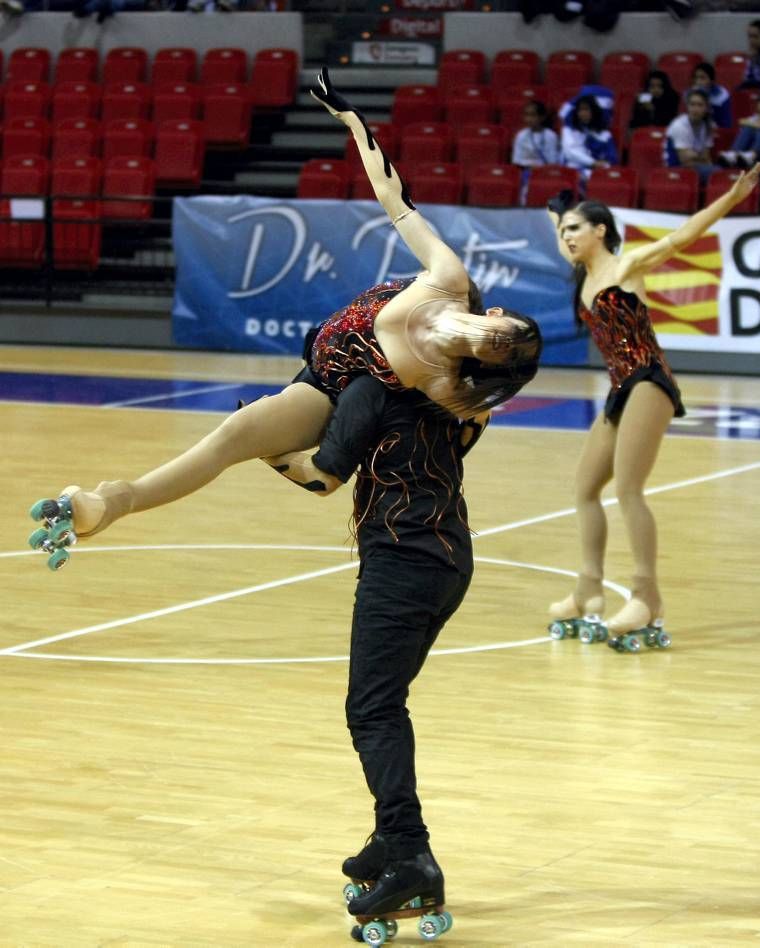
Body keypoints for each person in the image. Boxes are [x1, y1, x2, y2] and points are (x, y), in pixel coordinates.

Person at [28, 67, 541, 563]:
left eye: (506, 354)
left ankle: (116, 500)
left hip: (328, 394)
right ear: (496, 312)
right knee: (231, 436)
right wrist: (352, 121)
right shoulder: (449, 278)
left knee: (236, 435)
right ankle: (107, 502)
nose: (503, 344)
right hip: (321, 365)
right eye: (509, 334)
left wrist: (315, 462)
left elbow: (457, 438)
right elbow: (393, 196)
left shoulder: (446, 384)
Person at [264, 372, 487, 922]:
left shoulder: (370, 390)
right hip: (450, 560)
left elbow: (322, 479)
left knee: (373, 709)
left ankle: (408, 848)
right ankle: (392, 842)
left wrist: (263, 445)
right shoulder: (454, 388)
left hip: (401, 563)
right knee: (383, 704)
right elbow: (470, 429)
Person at [544, 162, 760, 648]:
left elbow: (683, 236)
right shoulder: (582, 278)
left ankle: (647, 597)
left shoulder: (626, 266)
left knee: (627, 489)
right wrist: (556, 211)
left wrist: (731, 198)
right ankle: (589, 593)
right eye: (564, 231)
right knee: (584, 487)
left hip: (649, 380)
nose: (567, 237)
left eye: (575, 228)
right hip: (620, 387)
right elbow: (558, 226)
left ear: (601, 230)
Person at [560, 94, 618, 184]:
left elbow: (613, 159)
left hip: (597, 172)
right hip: (573, 170)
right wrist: (592, 162)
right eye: (580, 110)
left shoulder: (605, 134)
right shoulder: (569, 130)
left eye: (586, 109)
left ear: (594, 111)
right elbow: (570, 153)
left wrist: (603, 165)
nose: (583, 113)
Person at [510, 99, 560, 204]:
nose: (529, 119)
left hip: (545, 172)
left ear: (542, 117)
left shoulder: (550, 136)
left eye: (533, 115)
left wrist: (540, 169)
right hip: (525, 171)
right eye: (527, 115)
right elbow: (516, 160)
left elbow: (553, 161)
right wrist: (528, 168)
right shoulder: (521, 135)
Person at [665, 88, 717, 184]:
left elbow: (707, 157)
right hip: (677, 169)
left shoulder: (707, 126)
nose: (695, 109)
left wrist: (694, 155)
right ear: (687, 106)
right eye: (692, 104)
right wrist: (700, 157)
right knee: (716, 174)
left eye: (700, 105)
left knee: (721, 174)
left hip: (697, 168)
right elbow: (685, 161)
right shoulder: (679, 125)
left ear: (706, 108)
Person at [686, 62, 732, 128]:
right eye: (696, 78)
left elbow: (726, 123)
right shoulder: (690, 93)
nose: (698, 82)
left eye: (702, 78)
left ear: (711, 80)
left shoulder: (722, 95)